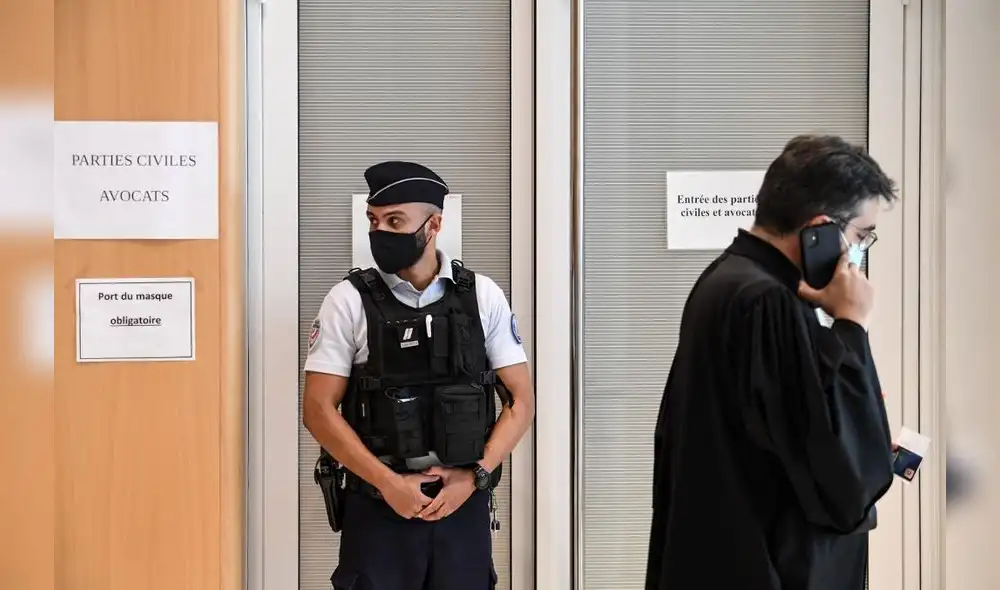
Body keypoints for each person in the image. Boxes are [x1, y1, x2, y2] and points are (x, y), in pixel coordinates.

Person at [645, 135, 898, 590]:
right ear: (821, 228)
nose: (859, 252)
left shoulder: (727, 280)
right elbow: (841, 482)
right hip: (766, 567)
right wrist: (852, 326)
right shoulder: (766, 302)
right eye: (860, 236)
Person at [303, 160, 535, 590]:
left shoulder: (482, 295)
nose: (380, 233)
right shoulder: (347, 301)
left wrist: (476, 475)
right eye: (373, 221)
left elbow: (521, 400)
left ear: (434, 225)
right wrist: (389, 484)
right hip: (378, 508)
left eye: (395, 221)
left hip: (461, 506)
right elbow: (318, 409)